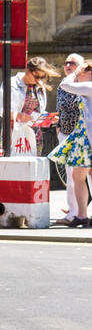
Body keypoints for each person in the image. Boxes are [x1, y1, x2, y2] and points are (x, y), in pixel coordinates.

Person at [52, 61, 92, 227]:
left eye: (84, 71)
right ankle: (82, 215)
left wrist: (76, 73)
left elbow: (65, 85)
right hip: (84, 138)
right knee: (77, 176)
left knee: (80, 176)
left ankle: (82, 215)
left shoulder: (89, 87)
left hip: (88, 139)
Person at [0, 56, 58, 156]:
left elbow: (38, 112)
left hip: (35, 137)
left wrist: (48, 118)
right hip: (14, 135)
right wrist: (20, 116)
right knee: (15, 166)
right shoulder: (11, 83)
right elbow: (0, 109)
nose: (39, 80)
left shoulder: (40, 87)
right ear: (27, 70)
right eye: (36, 76)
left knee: (33, 168)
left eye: (42, 77)